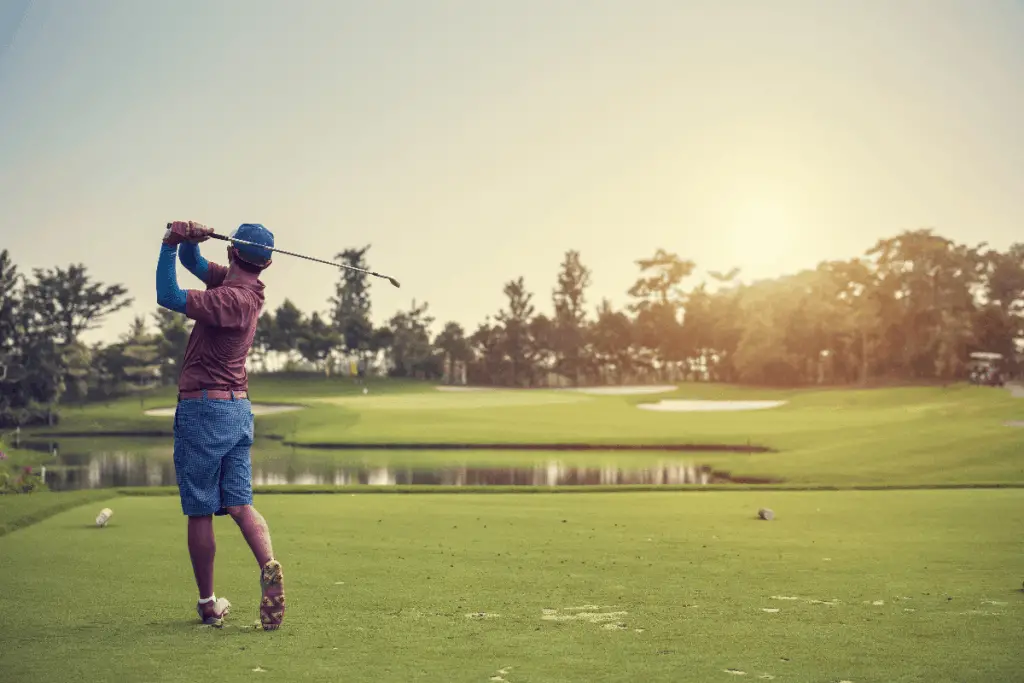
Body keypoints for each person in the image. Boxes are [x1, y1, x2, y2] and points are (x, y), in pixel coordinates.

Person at [155, 220, 286, 631]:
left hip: (204, 410)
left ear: (232, 252)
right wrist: (191, 242)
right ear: (263, 263)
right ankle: (269, 564)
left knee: (199, 510)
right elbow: (196, 264)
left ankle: (208, 603)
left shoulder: (228, 298)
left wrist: (168, 243)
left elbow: (168, 294)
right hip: (236, 410)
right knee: (239, 502)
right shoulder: (246, 289)